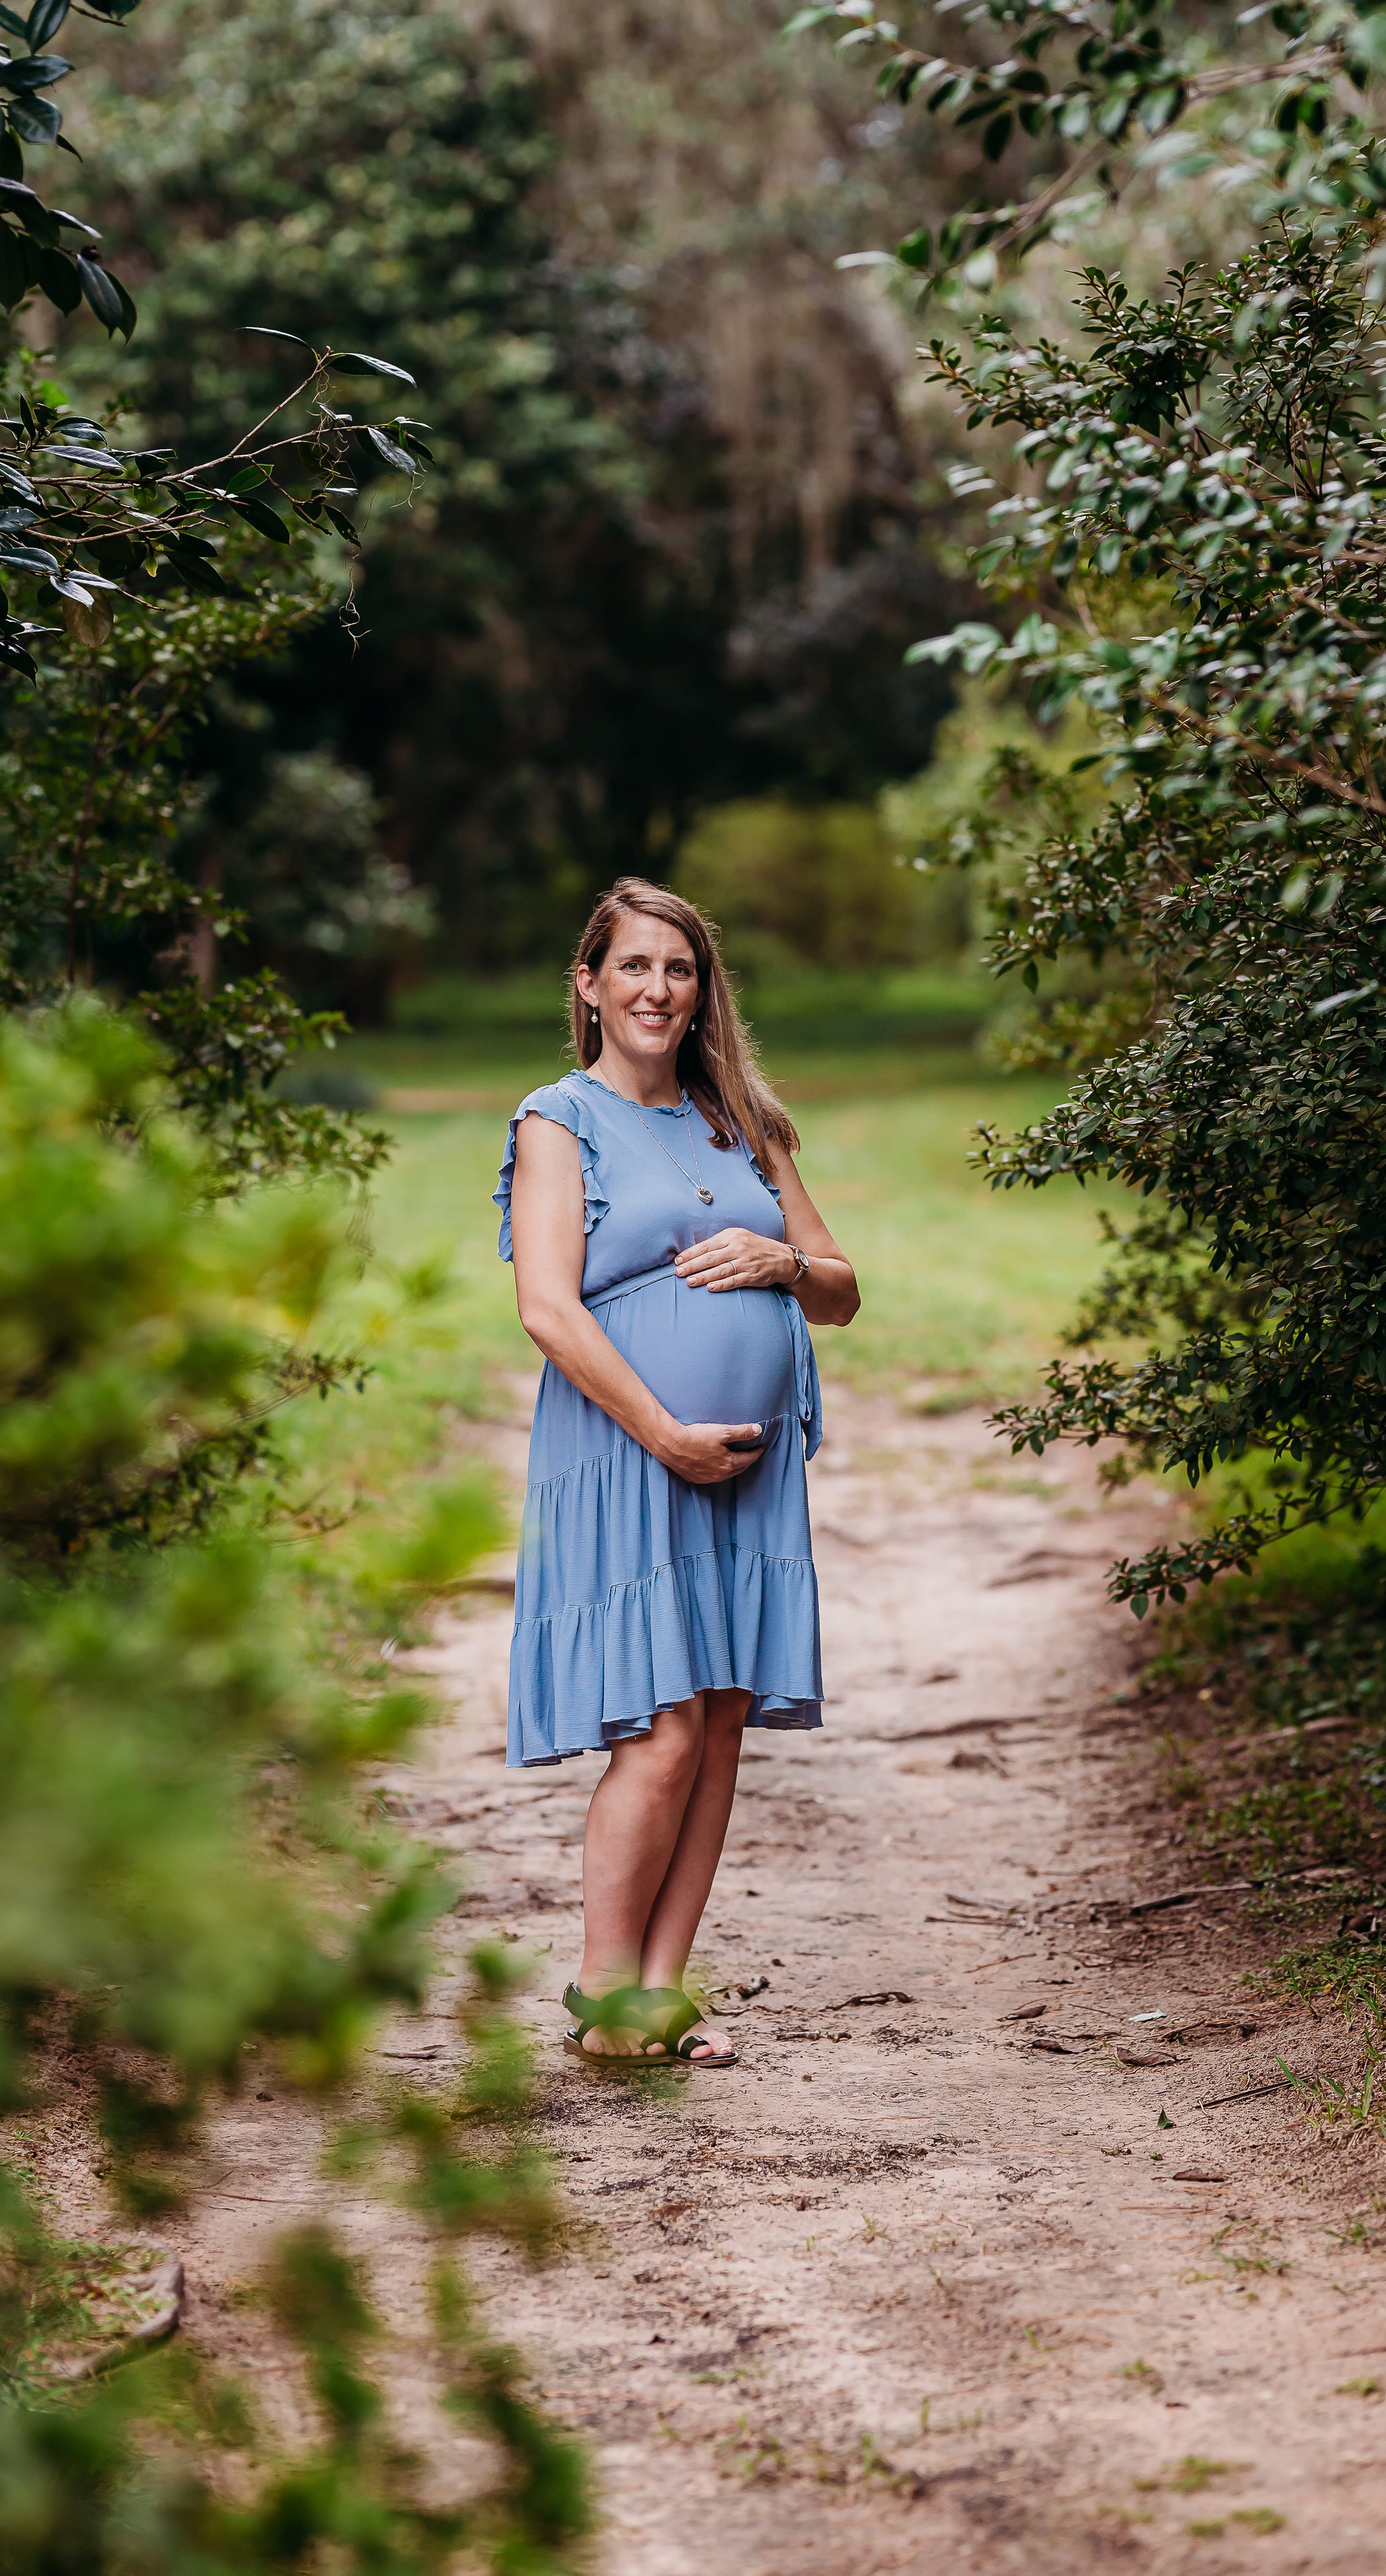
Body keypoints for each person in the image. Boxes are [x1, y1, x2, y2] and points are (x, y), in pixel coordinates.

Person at [493, 877, 859, 2064]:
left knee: (719, 1724)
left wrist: (782, 1258)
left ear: (704, 990)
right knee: (657, 1728)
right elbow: (547, 1307)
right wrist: (663, 1431)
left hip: (749, 1473)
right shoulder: (559, 1119)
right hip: (627, 1452)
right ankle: (605, 1997)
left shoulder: (736, 1117)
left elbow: (843, 1287)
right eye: (634, 966)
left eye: (681, 968)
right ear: (589, 985)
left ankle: (659, 1996)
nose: (658, 988)